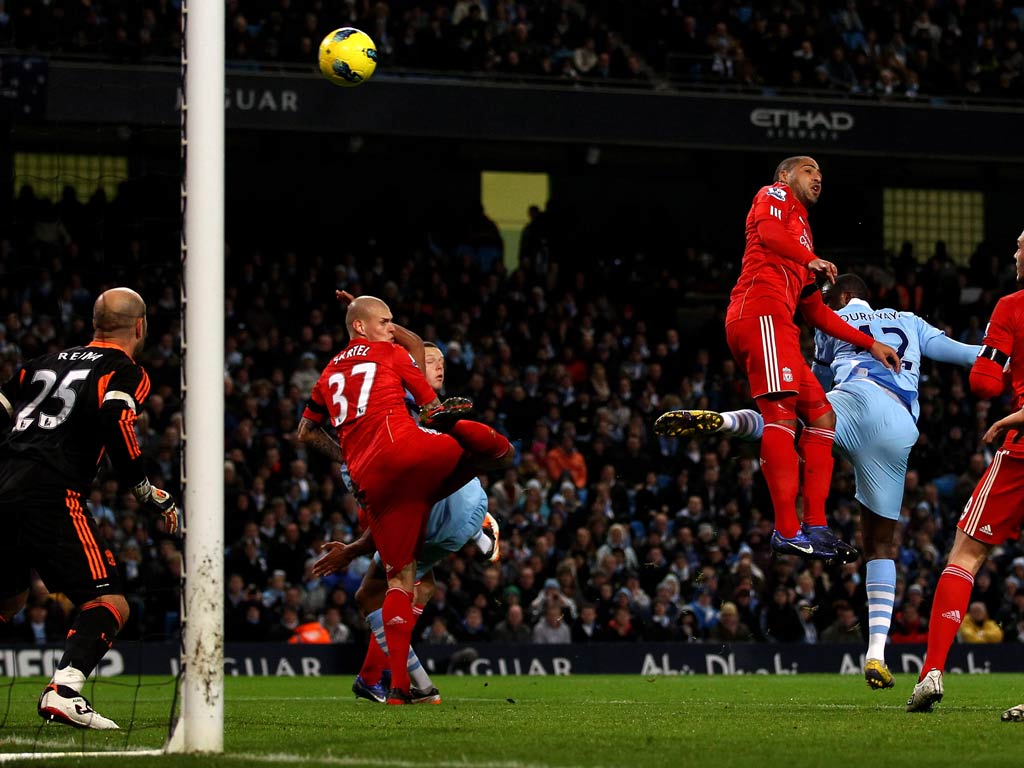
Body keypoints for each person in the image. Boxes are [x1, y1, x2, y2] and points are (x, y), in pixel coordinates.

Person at [656, 272, 978, 688]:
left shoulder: (833, 323)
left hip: (853, 400)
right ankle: (877, 653)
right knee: (880, 545)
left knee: (787, 419)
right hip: (898, 425)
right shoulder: (910, 320)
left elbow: (812, 392)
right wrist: (1006, 358)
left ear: (842, 296)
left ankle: (728, 421)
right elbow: (966, 354)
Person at [297, 294, 513, 705]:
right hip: (439, 490)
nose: (435, 366)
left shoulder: (330, 378)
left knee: (385, 586)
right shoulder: (391, 365)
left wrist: (356, 543)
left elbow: (306, 431)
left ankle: (398, 683)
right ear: (364, 326)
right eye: (386, 322)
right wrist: (398, 338)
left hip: (380, 479)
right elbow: (415, 359)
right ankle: (395, 681)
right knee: (418, 583)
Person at [704, 156, 900, 559]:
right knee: (781, 416)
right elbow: (769, 232)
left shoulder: (804, 237)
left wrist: (869, 343)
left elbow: (815, 312)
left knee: (823, 417)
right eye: (809, 171)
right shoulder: (772, 196)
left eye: (822, 175)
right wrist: (807, 259)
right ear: (785, 176)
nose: (818, 179)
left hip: (783, 328)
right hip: (760, 313)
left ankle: (816, 526)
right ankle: (787, 530)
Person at [0, 288, 179, 729]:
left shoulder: (38, 364)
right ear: (139, 326)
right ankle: (63, 691)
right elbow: (116, 418)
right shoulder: (125, 369)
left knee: (9, 599)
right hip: (52, 491)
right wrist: (142, 489)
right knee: (109, 601)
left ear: (94, 323)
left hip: (3, 485)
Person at [905, 230, 1024, 714]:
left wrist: (1008, 414)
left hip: (1021, 452)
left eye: (1020, 244)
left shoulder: (1011, 308)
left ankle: (932, 671)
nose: (1014, 252)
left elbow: (983, 380)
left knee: (965, 554)